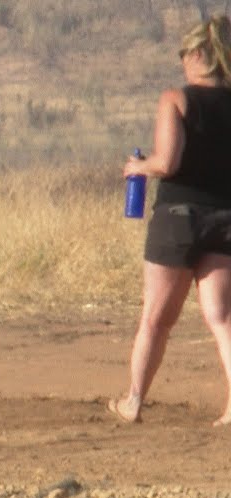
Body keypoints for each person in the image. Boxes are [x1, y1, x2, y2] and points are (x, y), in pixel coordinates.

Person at [109, 14, 231, 425]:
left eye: (183, 54)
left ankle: (134, 401)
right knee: (222, 316)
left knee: (156, 319)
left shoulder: (176, 100)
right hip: (225, 219)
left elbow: (168, 163)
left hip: (179, 218)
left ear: (197, 55)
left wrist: (138, 167)